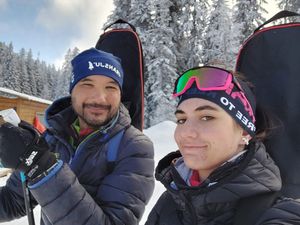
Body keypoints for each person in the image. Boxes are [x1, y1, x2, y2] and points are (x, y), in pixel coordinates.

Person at [0, 48, 155, 225]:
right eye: (87, 84)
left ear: (120, 94)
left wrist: (42, 168)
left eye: (111, 87)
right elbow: (13, 200)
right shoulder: (53, 138)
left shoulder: (134, 146)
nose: (100, 98)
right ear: (72, 91)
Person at [145, 66, 300, 225]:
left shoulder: (283, 215)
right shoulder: (169, 204)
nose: (185, 133)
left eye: (206, 117)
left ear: (244, 132)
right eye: (181, 120)